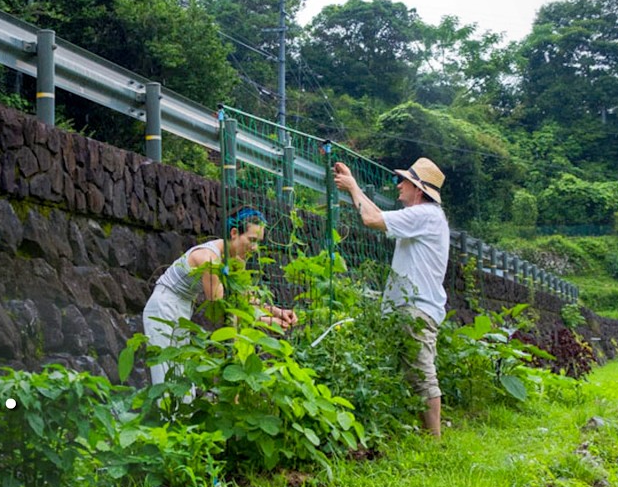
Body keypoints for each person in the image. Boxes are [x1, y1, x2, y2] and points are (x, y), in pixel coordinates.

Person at [333, 157, 450, 438]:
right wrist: (354, 186)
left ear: (418, 190)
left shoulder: (426, 215)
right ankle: (421, 435)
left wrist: (352, 187)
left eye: (404, 182)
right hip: (409, 309)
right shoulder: (423, 217)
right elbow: (377, 215)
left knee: (422, 375)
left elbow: (370, 219)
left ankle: (434, 443)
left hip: (416, 310)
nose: (398, 186)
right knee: (410, 374)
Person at [142, 208, 298, 385]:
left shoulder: (236, 260)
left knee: (183, 378)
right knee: (167, 377)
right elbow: (224, 306)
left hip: (182, 307)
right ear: (234, 233)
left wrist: (277, 312)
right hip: (163, 307)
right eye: (252, 240)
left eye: (259, 243)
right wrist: (268, 322)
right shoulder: (208, 259)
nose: (255, 249)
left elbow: (244, 299)